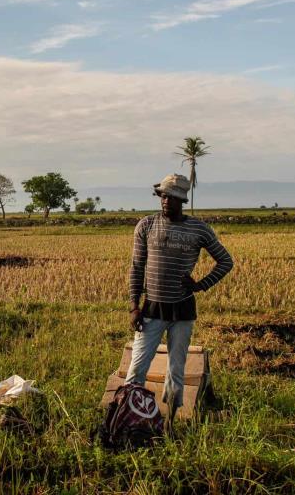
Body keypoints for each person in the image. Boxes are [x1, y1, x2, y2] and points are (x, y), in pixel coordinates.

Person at [126, 173, 234, 424]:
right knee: (137, 368)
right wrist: (134, 305)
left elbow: (226, 261)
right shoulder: (146, 225)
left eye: (172, 198)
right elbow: (136, 266)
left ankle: (170, 422)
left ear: (181, 200)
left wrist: (200, 285)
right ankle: (131, 420)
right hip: (152, 308)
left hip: (183, 310)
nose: (166, 201)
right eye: (163, 196)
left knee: (176, 371)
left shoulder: (198, 229)